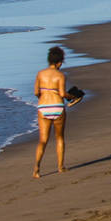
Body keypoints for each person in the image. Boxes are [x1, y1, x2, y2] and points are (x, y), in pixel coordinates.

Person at [33, 46, 72, 178]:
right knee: (59, 137)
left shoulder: (40, 74)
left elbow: (36, 92)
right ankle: (60, 167)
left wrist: (43, 98)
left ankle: (36, 168)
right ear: (59, 62)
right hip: (57, 106)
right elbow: (62, 93)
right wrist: (71, 97)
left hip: (43, 107)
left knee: (43, 140)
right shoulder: (60, 75)